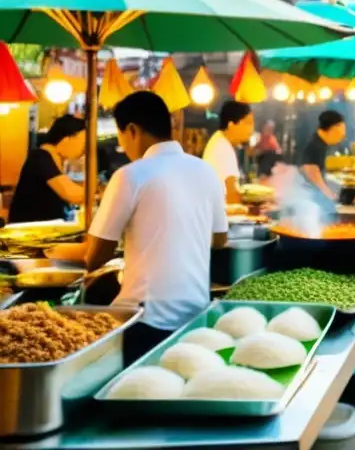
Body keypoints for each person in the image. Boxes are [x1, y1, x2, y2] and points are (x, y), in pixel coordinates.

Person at [70, 92, 227, 364]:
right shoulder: (205, 171)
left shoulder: (131, 174)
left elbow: (95, 257)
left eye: (121, 139)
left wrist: (54, 253)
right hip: (195, 317)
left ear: (131, 130)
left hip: (144, 322)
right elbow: (219, 239)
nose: (123, 148)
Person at [8, 115, 87, 224]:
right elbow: (72, 194)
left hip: (44, 229)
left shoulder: (55, 159)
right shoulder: (40, 157)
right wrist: (99, 194)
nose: (84, 149)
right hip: (30, 233)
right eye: (83, 143)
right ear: (67, 139)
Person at [201, 100, 254, 204]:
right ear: (231, 124)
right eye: (248, 123)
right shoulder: (222, 148)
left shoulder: (220, 140)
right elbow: (232, 196)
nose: (251, 129)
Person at [301, 109, 346, 201]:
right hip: (306, 197)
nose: (342, 137)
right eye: (341, 133)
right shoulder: (315, 145)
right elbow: (312, 172)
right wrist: (329, 195)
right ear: (334, 128)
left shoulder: (320, 142)